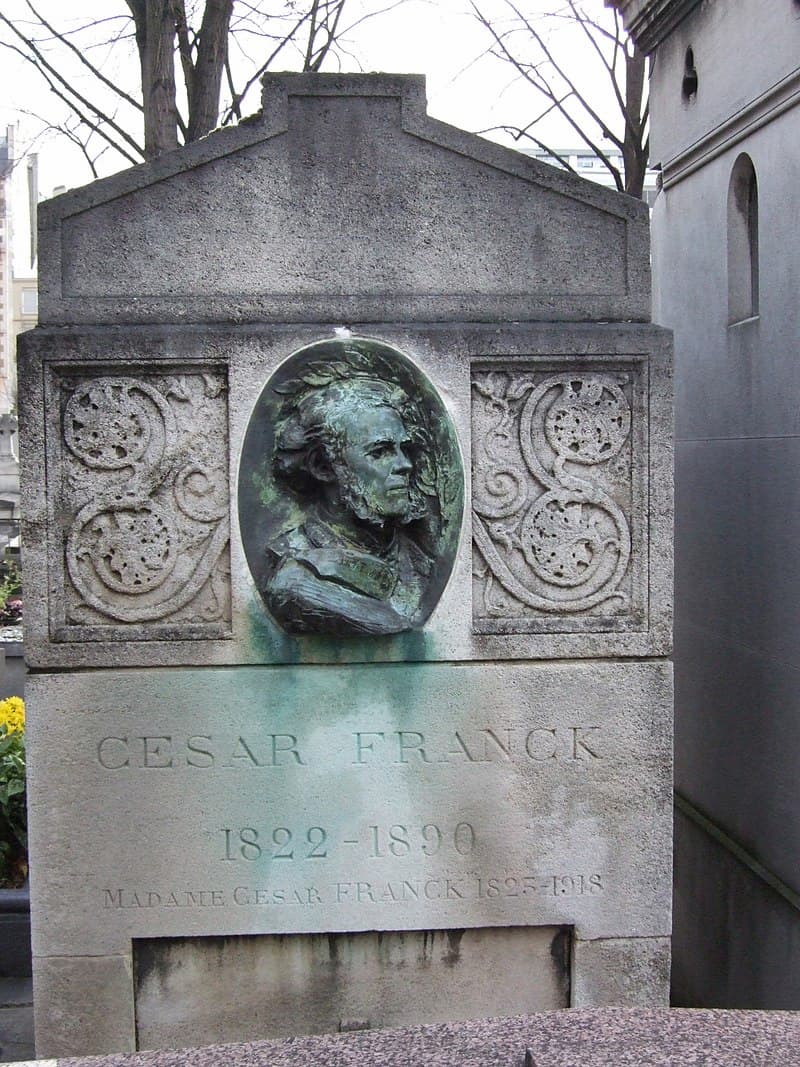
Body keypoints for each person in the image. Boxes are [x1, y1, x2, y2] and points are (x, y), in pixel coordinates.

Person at [262, 377, 433, 635]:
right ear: (323, 466)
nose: (404, 464)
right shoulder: (296, 577)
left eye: (404, 449)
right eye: (380, 451)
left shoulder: (421, 562)